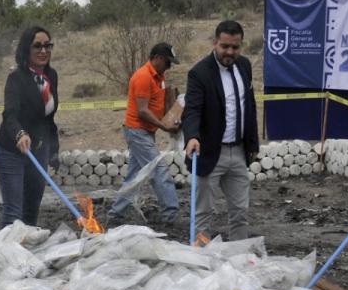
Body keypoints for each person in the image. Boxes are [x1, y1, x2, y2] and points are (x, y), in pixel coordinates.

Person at [182, 20, 259, 241]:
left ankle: (239, 260)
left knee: (240, 212)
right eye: (224, 46)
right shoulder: (199, 73)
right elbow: (192, 110)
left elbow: (249, 106)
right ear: (215, 42)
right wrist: (192, 137)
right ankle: (200, 264)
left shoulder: (244, 65)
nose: (230, 52)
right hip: (208, 153)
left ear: (241, 46)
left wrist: (252, 143)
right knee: (203, 214)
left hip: (238, 153)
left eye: (235, 47)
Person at [109, 42, 182, 224]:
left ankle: (115, 214)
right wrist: (165, 127)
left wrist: (175, 113)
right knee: (159, 170)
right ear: (157, 58)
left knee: (134, 177)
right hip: (137, 131)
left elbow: (162, 104)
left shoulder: (160, 76)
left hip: (146, 132)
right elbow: (142, 111)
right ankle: (170, 214)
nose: (169, 66)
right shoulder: (143, 77)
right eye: (167, 62)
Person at [0, 25, 60, 227]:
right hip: (12, 150)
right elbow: (10, 114)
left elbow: (48, 118)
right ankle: (8, 254)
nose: (43, 51)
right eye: (37, 46)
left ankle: (28, 252)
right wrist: (20, 133)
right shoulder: (16, 78)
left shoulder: (52, 76)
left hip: (38, 149)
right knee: (14, 211)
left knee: (32, 208)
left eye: (47, 46)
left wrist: (54, 151)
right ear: (26, 49)